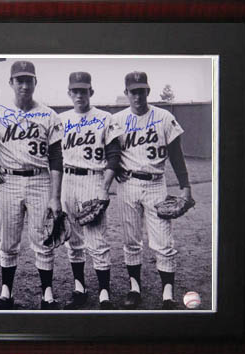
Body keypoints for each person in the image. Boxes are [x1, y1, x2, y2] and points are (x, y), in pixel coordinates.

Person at [0, 60, 64, 310]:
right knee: (7, 239)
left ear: (35, 82)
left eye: (29, 80)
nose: (25, 85)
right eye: (20, 80)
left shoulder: (49, 114)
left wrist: (55, 196)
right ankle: (6, 291)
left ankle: (47, 293)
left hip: (40, 179)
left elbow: (56, 157)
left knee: (43, 238)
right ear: (11, 82)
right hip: (8, 180)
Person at [111, 71, 193, 310]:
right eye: (133, 91)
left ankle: (167, 292)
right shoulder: (117, 120)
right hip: (127, 185)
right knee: (131, 241)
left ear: (148, 91)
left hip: (156, 183)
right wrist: (115, 169)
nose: (138, 96)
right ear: (126, 93)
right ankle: (134, 288)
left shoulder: (164, 117)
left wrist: (185, 186)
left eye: (142, 90)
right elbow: (112, 152)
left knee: (163, 240)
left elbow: (177, 155)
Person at [58, 72, 121, 310]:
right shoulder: (60, 119)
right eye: (75, 91)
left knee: (97, 239)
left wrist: (105, 188)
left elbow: (114, 155)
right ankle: (79, 287)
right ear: (69, 93)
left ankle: (104, 291)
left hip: (93, 180)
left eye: (83, 91)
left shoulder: (105, 118)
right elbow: (53, 156)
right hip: (68, 181)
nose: (79, 95)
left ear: (90, 92)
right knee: (72, 239)